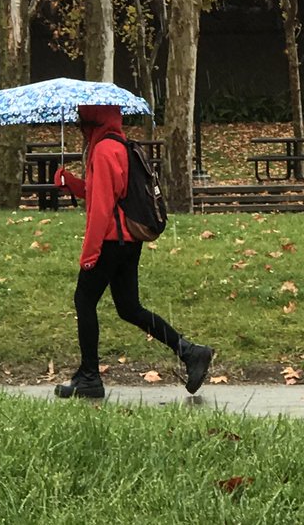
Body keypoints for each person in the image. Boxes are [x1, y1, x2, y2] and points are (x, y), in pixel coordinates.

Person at [51, 103, 214, 399]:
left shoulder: (102, 150)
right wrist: (74, 185)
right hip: (129, 241)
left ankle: (89, 377)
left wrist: (89, 255)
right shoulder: (119, 144)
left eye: (82, 118)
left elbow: (101, 209)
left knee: (84, 300)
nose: (78, 123)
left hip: (111, 242)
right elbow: (107, 192)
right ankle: (190, 351)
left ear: (93, 119)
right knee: (129, 307)